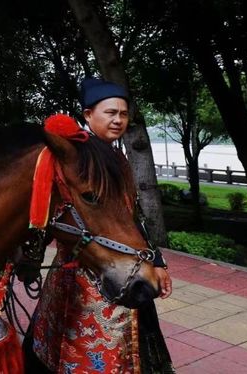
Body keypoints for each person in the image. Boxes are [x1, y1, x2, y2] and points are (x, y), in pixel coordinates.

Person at [25, 78, 174, 373]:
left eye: (123, 114)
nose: (118, 120)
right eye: (110, 113)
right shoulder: (73, 156)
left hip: (125, 268)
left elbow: (132, 217)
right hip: (81, 271)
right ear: (88, 114)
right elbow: (48, 210)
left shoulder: (117, 158)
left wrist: (157, 261)